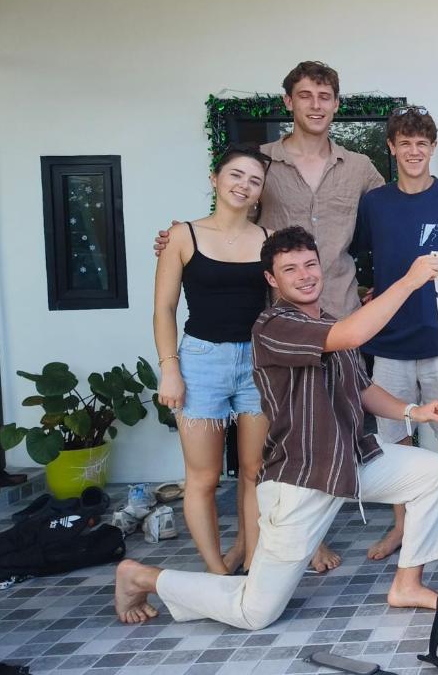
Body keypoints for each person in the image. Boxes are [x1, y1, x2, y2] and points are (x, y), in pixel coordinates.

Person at [115, 227, 438, 628]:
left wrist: (413, 411)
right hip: (302, 477)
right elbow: (353, 333)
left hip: (350, 460)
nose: (305, 274)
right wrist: (410, 280)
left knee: (435, 473)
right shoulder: (275, 325)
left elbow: (362, 388)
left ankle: (407, 585)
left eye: (310, 264)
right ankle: (141, 576)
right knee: (255, 612)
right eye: (290, 269)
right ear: (271, 279)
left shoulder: (327, 322)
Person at [154, 60, 380, 573]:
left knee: (315, 434)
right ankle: (252, 553)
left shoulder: (362, 167)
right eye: (305, 95)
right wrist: (175, 240)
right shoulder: (263, 163)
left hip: (339, 311)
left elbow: (380, 225)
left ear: (337, 104)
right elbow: (228, 224)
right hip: (275, 330)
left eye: (325, 96)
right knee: (280, 446)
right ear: (289, 103)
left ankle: (279, 543)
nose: (316, 105)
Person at [351, 106, 438, 560]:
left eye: (421, 143)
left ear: (432, 148)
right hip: (389, 344)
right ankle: (403, 529)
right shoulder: (374, 203)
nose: (413, 151)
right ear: (390, 148)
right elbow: (355, 257)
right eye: (404, 143)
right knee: (396, 443)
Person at [153, 145, 271, 575]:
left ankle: (256, 567)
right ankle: (218, 572)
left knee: (255, 471)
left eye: (254, 181)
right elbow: (164, 308)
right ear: (215, 179)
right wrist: (170, 369)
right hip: (201, 362)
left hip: (256, 365)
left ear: (260, 193)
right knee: (202, 478)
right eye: (236, 175)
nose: (244, 186)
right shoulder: (182, 236)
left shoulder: (267, 239)